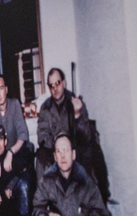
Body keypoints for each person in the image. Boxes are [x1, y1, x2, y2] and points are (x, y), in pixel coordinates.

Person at [36, 67, 109, 202]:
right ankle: (46, 202)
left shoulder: (76, 102)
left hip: (76, 150)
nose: (55, 88)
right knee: (40, 157)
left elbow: (86, 135)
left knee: (93, 152)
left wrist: (77, 115)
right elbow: (42, 136)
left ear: (64, 83)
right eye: (51, 85)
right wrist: (59, 146)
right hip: (56, 151)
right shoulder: (45, 108)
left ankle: (97, 201)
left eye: (58, 83)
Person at [0, 73, 30, 180]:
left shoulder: (15, 104)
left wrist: (11, 152)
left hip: (14, 153)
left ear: (6, 90)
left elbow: (23, 134)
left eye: (1, 88)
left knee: (26, 152)